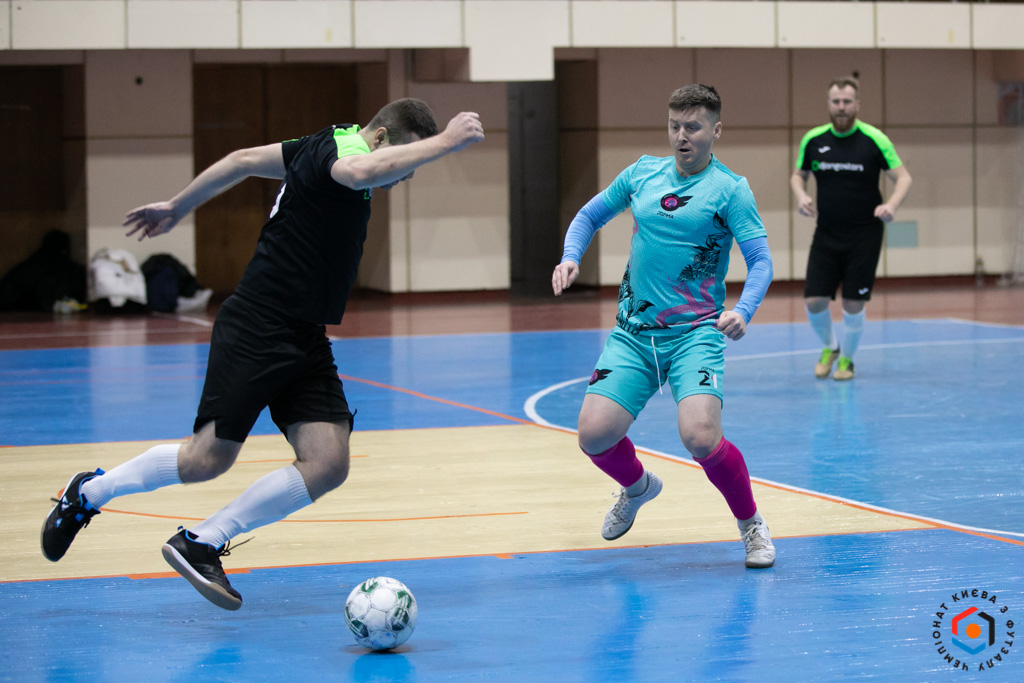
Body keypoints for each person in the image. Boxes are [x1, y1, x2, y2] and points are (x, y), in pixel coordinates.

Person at [41, 98, 485, 610]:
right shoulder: (345, 151)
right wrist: (445, 143)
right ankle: (88, 494)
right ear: (381, 137)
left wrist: (178, 206)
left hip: (304, 334)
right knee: (206, 459)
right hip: (258, 323)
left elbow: (243, 160)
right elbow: (360, 170)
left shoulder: (320, 144)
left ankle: (201, 542)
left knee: (328, 462)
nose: (404, 175)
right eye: (405, 160)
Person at [551, 84, 776, 569]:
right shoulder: (642, 173)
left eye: (692, 127)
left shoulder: (730, 190)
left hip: (695, 333)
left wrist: (743, 310)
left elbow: (760, 260)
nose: (681, 136)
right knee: (593, 435)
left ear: (716, 130)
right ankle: (637, 488)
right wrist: (571, 256)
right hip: (633, 334)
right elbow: (589, 215)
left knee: (701, 436)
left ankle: (751, 524)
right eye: (674, 126)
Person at [791, 76, 912, 381]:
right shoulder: (813, 140)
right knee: (814, 300)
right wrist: (801, 195)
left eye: (847, 101)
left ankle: (847, 360)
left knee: (853, 302)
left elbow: (903, 177)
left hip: (864, 234)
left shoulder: (875, 139)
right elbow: (798, 175)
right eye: (836, 101)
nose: (841, 107)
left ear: (857, 104)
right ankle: (830, 347)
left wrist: (891, 205)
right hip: (826, 232)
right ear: (828, 104)